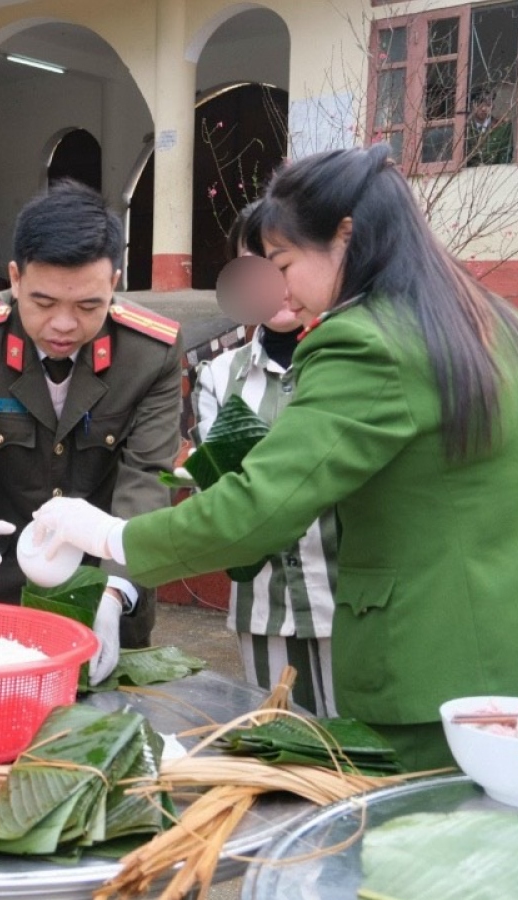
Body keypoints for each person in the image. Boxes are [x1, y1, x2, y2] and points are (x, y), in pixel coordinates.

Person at [33, 146, 518, 768]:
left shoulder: (365, 342)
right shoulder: (502, 323)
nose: (277, 289)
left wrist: (114, 536)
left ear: (345, 237)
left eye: (282, 262)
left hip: (434, 680)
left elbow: (259, 510)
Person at [0, 181, 184, 684]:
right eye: (42, 302)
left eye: (88, 306)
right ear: (15, 278)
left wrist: (114, 593)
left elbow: (146, 477)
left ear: (115, 283)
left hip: (102, 587)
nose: (63, 325)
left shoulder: (150, 355)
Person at [194, 201, 339, 716]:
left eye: (280, 265)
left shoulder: (353, 363)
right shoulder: (218, 375)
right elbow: (222, 492)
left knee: (361, 753)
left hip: (353, 606)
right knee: (283, 751)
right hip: (264, 609)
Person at [464, 88, 512, 166]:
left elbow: (506, 154)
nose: (483, 108)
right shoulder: (465, 128)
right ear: (472, 105)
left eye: (488, 104)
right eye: (479, 104)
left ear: (493, 106)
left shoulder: (502, 126)